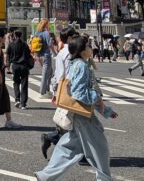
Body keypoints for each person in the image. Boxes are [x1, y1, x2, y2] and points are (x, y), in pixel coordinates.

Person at [35, 36, 117, 181]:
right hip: (83, 116)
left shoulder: (76, 64)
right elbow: (79, 93)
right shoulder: (81, 66)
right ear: (81, 50)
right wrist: (97, 97)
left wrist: (106, 110)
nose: (91, 48)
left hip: (79, 114)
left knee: (69, 148)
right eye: (88, 46)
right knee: (100, 148)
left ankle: (45, 176)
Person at [41, 27, 78, 159]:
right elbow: (60, 76)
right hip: (68, 91)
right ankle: (53, 139)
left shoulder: (69, 51)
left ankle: (52, 138)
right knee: (69, 122)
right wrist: (58, 93)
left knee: (71, 122)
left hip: (71, 90)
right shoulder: (66, 53)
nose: (77, 37)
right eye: (75, 35)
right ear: (69, 38)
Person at [6, 29, 33, 109]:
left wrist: (8, 66)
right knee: (24, 84)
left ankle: (17, 99)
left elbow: (8, 55)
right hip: (24, 66)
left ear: (14, 35)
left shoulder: (11, 44)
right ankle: (23, 104)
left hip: (15, 66)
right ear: (21, 35)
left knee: (16, 82)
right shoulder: (25, 44)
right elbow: (28, 55)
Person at [33, 19, 54, 95]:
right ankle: (42, 92)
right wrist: (55, 53)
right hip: (46, 55)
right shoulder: (46, 33)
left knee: (50, 72)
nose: (49, 25)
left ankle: (47, 90)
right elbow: (49, 44)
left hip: (39, 56)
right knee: (45, 75)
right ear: (46, 25)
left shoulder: (37, 33)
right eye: (48, 24)